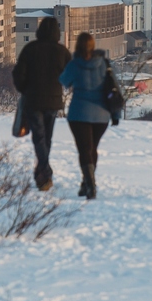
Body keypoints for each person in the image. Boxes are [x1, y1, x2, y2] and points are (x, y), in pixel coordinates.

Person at [12, 17, 72, 191]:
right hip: (53, 102)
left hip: (33, 100)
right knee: (47, 138)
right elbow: (69, 77)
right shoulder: (62, 52)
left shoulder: (30, 49)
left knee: (39, 137)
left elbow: (18, 74)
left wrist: (25, 89)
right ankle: (43, 173)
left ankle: (44, 173)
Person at [59, 32, 121, 200]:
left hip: (79, 114)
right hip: (101, 115)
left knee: (84, 149)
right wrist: (115, 114)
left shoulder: (74, 64)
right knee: (92, 148)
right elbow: (114, 89)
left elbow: (64, 81)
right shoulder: (104, 64)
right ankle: (86, 183)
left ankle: (90, 185)